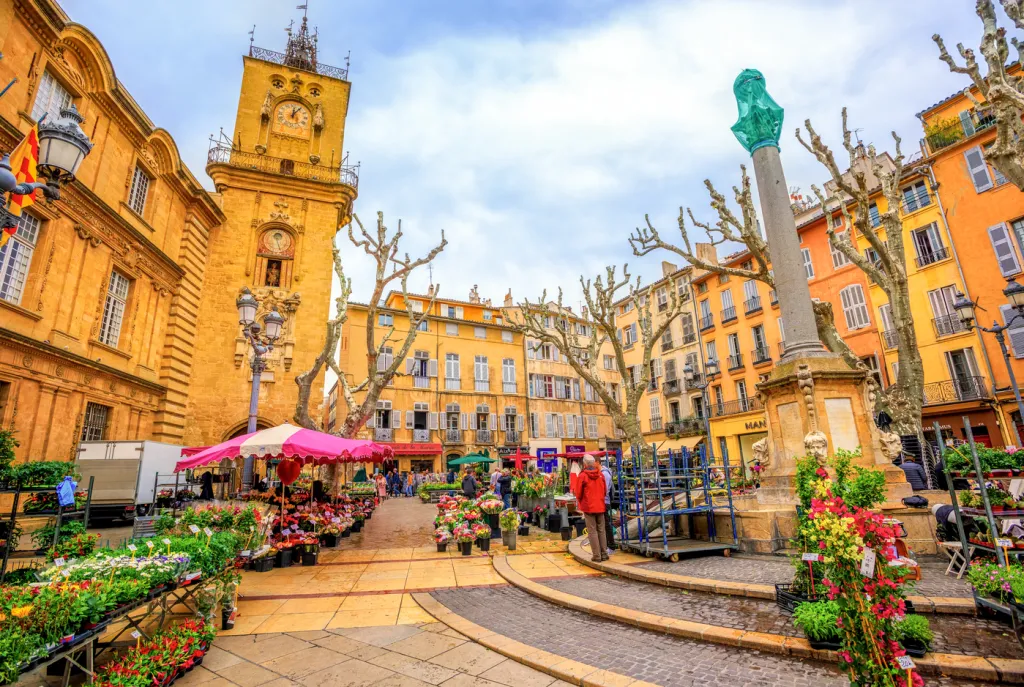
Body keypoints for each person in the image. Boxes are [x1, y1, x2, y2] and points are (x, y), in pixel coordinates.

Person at [572, 455, 608, 562]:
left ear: (585, 464)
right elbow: (605, 491)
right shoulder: (601, 475)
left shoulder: (583, 476)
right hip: (600, 506)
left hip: (589, 507)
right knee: (601, 530)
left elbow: (578, 493)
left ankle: (597, 555)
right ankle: (604, 553)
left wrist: (582, 502)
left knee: (592, 531)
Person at [597, 455, 616, 557]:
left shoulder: (605, 474)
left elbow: (605, 490)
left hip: (605, 502)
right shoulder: (601, 473)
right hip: (602, 501)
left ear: (597, 462)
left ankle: (611, 546)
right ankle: (606, 545)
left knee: (606, 524)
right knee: (603, 524)